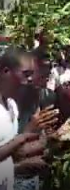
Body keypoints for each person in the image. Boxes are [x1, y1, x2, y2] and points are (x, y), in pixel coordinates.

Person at [0, 49, 57, 190]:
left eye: (32, 74)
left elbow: (13, 154)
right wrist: (25, 135)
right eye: (26, 74)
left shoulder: (12, 106)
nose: (30, 79)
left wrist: (52, 142)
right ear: (6, 72)